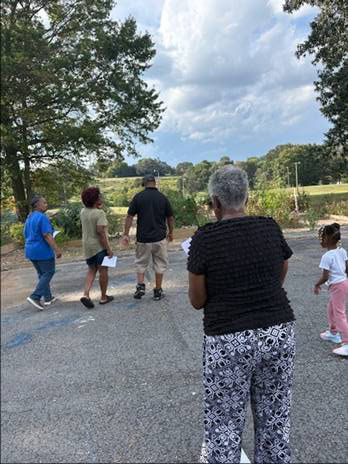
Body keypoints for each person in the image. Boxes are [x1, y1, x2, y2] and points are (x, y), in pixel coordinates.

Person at [187, 166, 296, 464]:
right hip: (278, 331)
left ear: (216, 202)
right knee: (275, 416)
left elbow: (197, 300)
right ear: (246, 197)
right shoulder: (270, 227)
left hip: (228, 338)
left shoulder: (205, 238)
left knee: (224, 422)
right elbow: (281, 269)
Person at [121, 174, 174, 301]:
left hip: (143, 238)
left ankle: (140, 286)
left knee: (141, 262)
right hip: (159, 238)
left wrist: (126, 234)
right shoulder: (162, 198)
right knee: (160, 265)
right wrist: (171, 232)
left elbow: (129, 217)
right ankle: (158, 291)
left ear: (144, 184)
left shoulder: (138, 197)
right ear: (154, 183)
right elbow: (170, 217)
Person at [314, 223, 348, 357]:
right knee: (331, 308)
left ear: (327, 239)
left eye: (322, 237)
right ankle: (333, 333)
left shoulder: (327, 256)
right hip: (343, 283)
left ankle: (346, 342)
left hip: (337, 286)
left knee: (339, 314)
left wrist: (317, 285)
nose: (321, 240)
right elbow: (346, 268)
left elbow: (325, 276)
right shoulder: (342, 251)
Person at [24, 195, 62, 310]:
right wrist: (57, 249)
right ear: (37, 205)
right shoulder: (42, 217)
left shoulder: (29, 217)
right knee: (49, 272)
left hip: (30, 250)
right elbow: (47, 235)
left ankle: (48, 298)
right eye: (44, 203)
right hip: (42, 250)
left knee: (42, 274)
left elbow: (26, 234)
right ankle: (35, 296)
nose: (46, 204)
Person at [80, 187, 114, 308]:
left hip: (87, 246)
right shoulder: (99, 213)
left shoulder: (83, 211)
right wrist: (108, 249)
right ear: (95, 199)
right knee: (103, 270)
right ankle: (104, 297)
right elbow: (101, 232)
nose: (101, 198)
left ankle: (86, 294)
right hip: (99, 247)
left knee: (91, 270)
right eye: (99, 196)